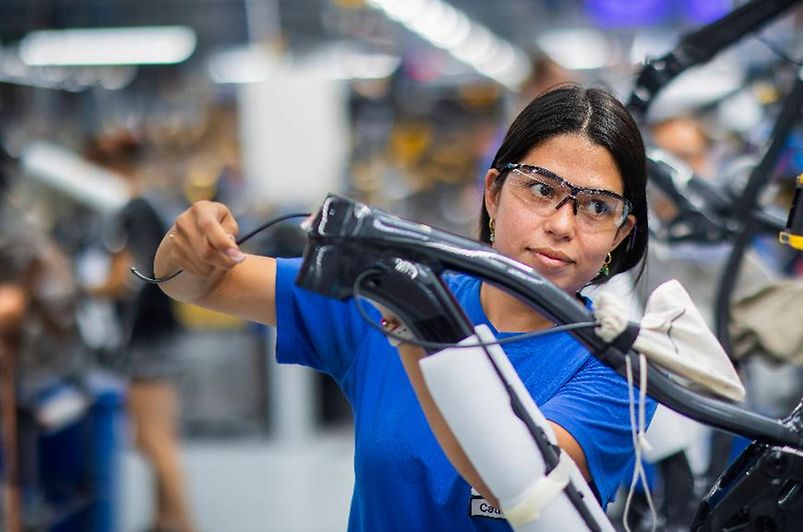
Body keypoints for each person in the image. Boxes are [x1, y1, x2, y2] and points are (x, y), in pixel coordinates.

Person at [154, 84, 656, 530]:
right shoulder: (389, 292)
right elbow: (194, 285)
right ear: (494, 192)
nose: (563, 225)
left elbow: (517, 476)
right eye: (542, 190)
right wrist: (188, 242)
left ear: (621, 233)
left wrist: (415, 322)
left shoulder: (620, 366)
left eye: (596, 207)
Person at [84, 130, 195, 532]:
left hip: (148, 337)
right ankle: (164, 519)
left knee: (154, 439)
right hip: (157, 333)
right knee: (155, 436)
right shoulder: (144, 209)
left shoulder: (129, 213)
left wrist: (78, 289)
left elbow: (120, 280)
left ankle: (182, 523)